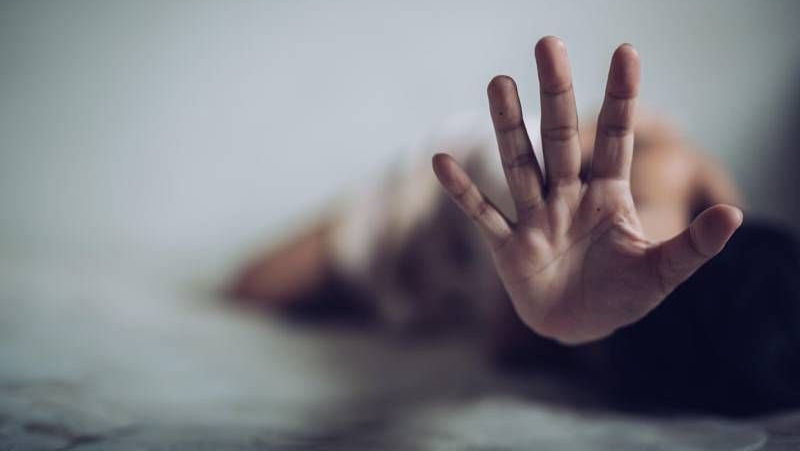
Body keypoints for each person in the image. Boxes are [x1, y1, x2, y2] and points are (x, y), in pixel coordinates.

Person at [229, 37, 800, 416]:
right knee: (251, 290)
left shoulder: (636, 337)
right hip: (442, 203)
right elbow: (654, 213)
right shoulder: (670, 181)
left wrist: (556, 335)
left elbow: (518, 338)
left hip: (483, 271)